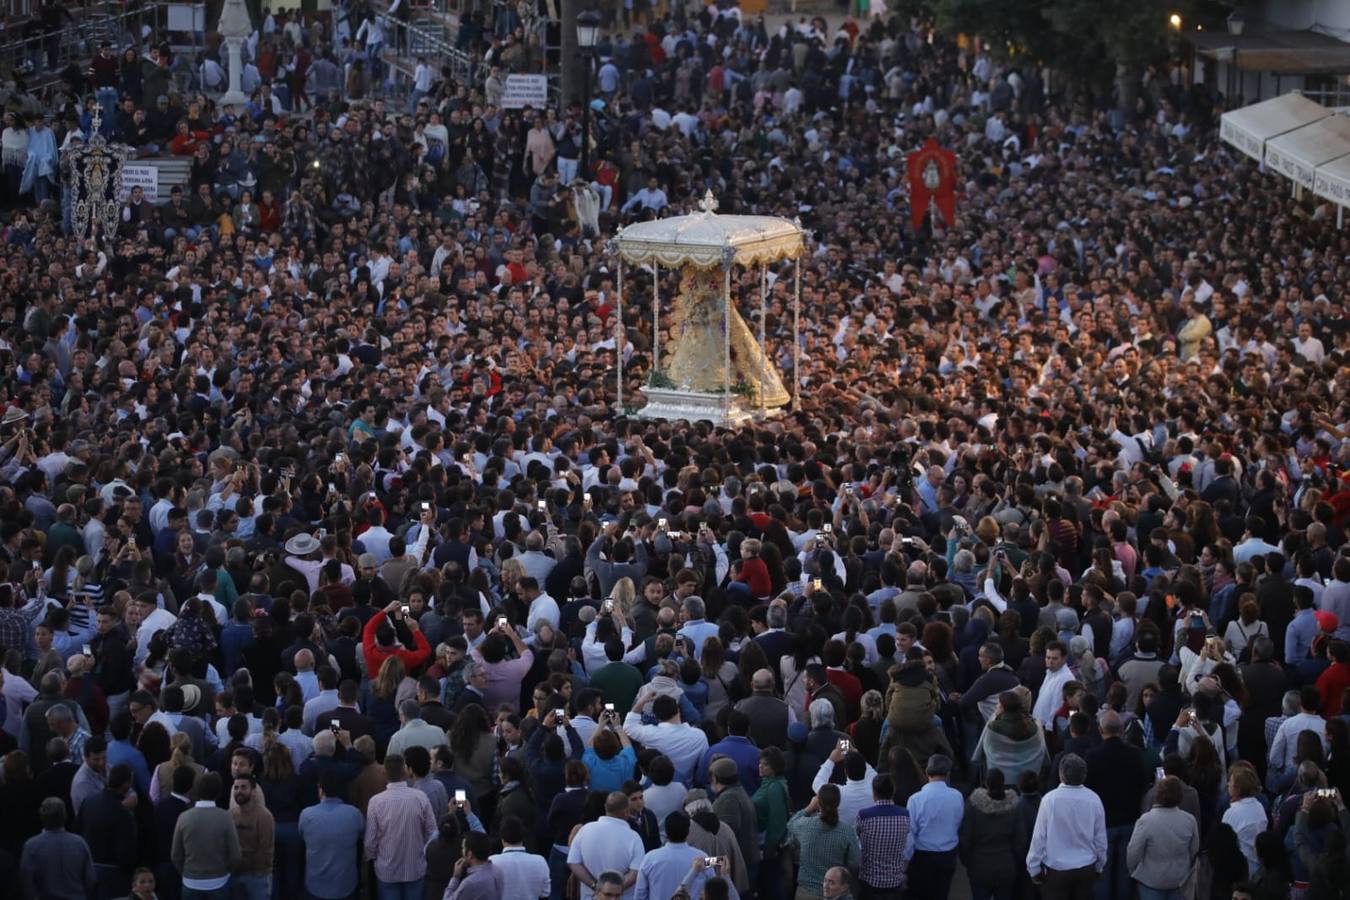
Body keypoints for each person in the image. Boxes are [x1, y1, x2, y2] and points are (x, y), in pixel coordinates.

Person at [1026, 754, 1107, 900]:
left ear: (1061, 774)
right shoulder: (1094, 799)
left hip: (1056, 871)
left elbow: (1039, 837)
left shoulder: (1049, 800)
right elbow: (1100, 838)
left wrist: (1033, 867)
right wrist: (1100, 865)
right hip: (1086, 868)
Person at [364, 753, 437, 898]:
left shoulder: (376, 802)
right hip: (415, 868)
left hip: (387, 870)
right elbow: (432, 832)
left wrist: (373, 859)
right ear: (404, 771)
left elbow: (370, 842)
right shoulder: (420, 797)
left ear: (384, 772)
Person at [1126, 775, 1199, 900]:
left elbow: (1133, 852)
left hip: (1151, 879)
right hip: (1180, 879)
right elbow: (1194, 849)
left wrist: (1134, 871)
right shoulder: (1189, 820)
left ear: (1157, 795)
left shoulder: (1146, 820)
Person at [171, 772, 242, 900]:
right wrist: (226, 871)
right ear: (219, 792)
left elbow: (176, 855)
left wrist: (187, 873)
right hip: (218, 880)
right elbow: (235, 855)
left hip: (191, 881)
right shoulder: (225, 817)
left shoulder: (184, 817)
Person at [298, 771, 365, 900]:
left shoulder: (307, 815)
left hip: (315, 884)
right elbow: (361, 835)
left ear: (321, 789)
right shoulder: (354, 814)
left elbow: (302, 835)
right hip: (346, 884)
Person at [566, 791, 646, 900]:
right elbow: (635, 873)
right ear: (626, 812)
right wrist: (613, 891)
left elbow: (573, 862)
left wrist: (596, 886)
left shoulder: (585, 830)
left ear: (605, 807)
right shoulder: (634, 837)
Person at [786, 783, 861, 899]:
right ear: (838, 803)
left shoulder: (806, 825)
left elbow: (791, 823)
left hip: (806, 892)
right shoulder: (847, 832)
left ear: (818, 802)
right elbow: (855, 862)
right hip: (835, 893)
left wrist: (810, 807)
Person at [905, 754, 964, 900]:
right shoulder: (957, 796)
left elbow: (909, 833)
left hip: (922, 858)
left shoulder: (915, 799)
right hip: (947, 856)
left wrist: (905, 861)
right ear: (948, 774)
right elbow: (958, 822)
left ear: (926, 773)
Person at [19, 796, 97, 900]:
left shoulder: (31, 846)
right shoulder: (79, 843)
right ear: (64, 816)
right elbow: (91, 880)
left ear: (41, 816)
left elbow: (27, 883)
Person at [855, 773, 909, 900]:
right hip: (895, 881)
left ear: (874, 792)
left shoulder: (864, 816)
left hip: (869, 881)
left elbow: (855, 840)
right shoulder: (905, 815)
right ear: (893, 791)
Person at [445, 831, 506, 900]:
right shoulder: (497, 871)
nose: (461, 851)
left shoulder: (470, 883)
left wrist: (455, 877)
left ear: (470, 854)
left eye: (463, 848)